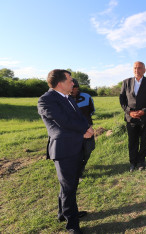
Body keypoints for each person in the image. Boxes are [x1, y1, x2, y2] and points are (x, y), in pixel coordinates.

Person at [38, 69, 94, 234]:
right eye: (70, 80)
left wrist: (87, 126)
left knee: (69, 184)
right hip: (64, 149)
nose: (73, 83)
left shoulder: (68, 97)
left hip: (76, 146)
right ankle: (72, 225)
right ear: (60, 83)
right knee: (69, 187)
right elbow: (62, 121)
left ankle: (63, 213)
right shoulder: (45, 100)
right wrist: (84, 130)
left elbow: (79, 117)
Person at [119, 61, 146, 172]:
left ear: (144, 70)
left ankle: (141, 161)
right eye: (135, 68)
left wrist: (144, 111)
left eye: (139, 68)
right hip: (130, 117)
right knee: (132, 140)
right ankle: (133, 162)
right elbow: (122, 99)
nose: (137, 70)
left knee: (145, 140)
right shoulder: (126, 82)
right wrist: (129, 111)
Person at [70, 79, 96, 177]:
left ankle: (82, 166)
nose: (72, 90)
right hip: (73, 131)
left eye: (74, 88)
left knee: (88, 149)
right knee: (75, 152)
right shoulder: (64, 99)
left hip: (87, 128)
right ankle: (78, 171)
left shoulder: (86, 97)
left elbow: (92, 110)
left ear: (78, 88)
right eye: (71, 87)